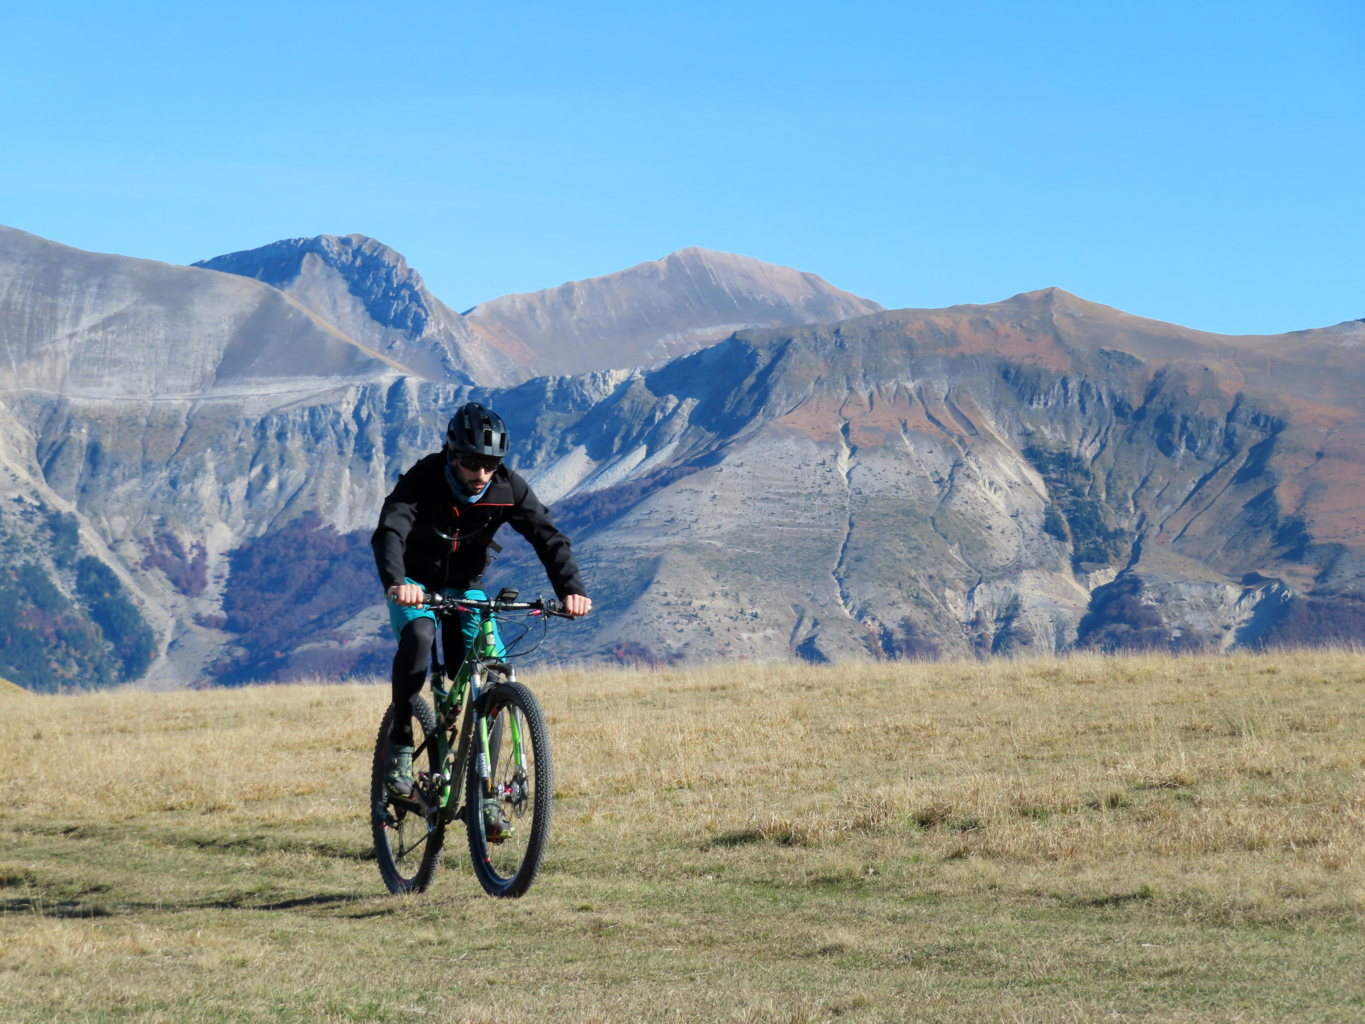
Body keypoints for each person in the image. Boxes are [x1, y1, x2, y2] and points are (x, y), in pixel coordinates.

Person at [370, 402, 591, 819]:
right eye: (472, 463)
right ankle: (399, 748)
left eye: (490, 465)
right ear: (452, 455)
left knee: (488, 675)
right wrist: (397, 582)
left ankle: (484, 794)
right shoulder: (423, 479)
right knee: (419, 638)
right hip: (414, 584)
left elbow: (548, 537)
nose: (482, 475)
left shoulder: (507, 487)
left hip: (466, 588)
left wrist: (571, 591)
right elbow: (390, 531)